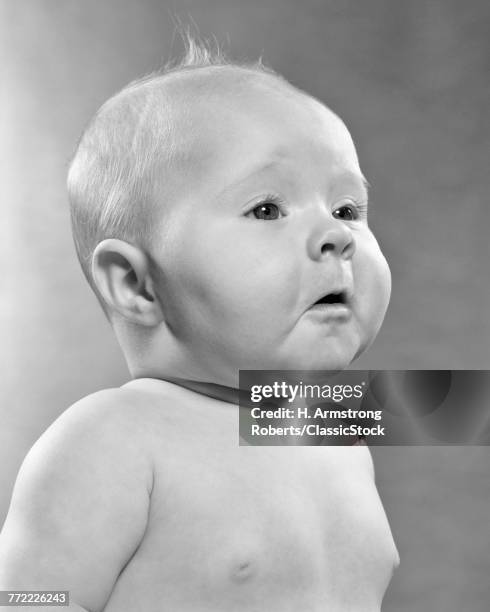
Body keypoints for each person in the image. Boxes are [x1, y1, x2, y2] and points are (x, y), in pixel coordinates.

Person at [0, 39, 399, 611]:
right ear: (136, 285)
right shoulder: (113, 437)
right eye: (267, 209)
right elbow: (24, 601)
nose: (337, 236)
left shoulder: (330, 422)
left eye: (346, 210)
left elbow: (459, 406)